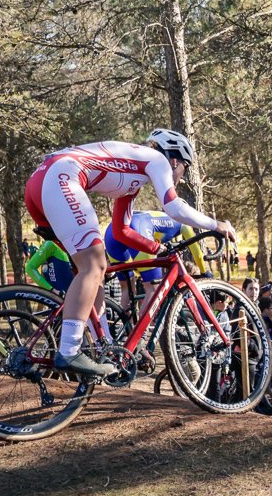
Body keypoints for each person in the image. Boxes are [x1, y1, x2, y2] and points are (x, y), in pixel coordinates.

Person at [24, 129, 235, 376]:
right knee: (94, 265)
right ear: (175, 160)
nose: (182, 175)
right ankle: (69, 350)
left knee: (94, 273)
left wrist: (157, 249)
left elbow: (121, 231)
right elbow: (173, 206)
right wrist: (216, 224)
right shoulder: (158, 159)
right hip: (60, 178)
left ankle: (103, 347)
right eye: (184, 168)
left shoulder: (131, 180)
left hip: (41, 182)